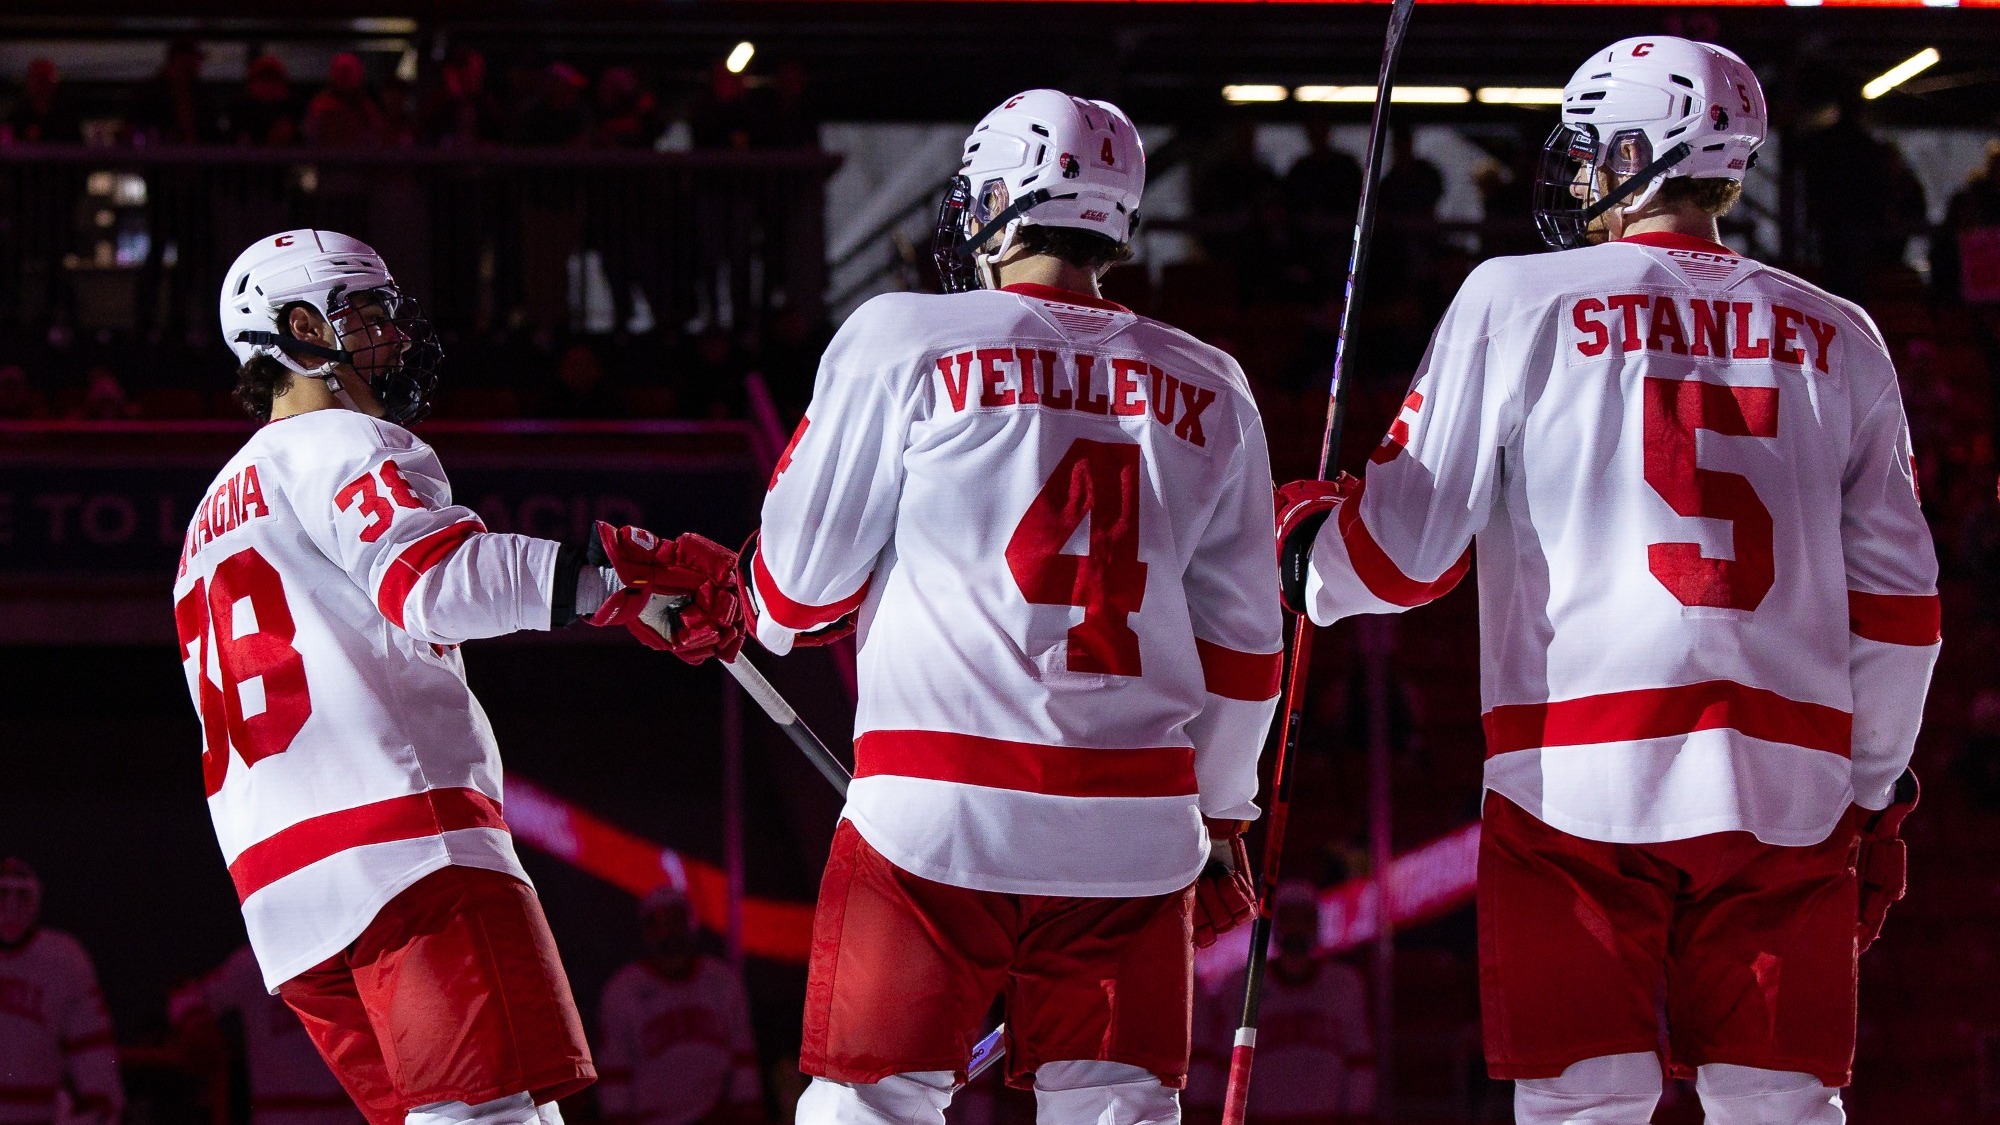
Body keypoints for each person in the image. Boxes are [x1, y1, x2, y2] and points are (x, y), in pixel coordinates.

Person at [1275, 37, 1937, 1125]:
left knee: (1583, 1106)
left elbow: (1397, 557)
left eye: (1589, 152)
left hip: (1572, 779)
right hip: (1786, 782)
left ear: (1635, 152)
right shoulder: (1842, 333)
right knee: (1782, 1107)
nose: (1577, 175)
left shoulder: (1515, 297)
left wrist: (1304, 564)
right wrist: (1869, 792)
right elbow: (1903, 613)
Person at [662, 89, 1283, 1125]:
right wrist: (1218, 814)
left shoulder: (902, 334)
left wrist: (760, 597)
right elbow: (1245, 649)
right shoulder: (1210, 379)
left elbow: (793, 593)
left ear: (993, 201)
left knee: (872, 1103)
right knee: (1119, 1110)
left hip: (933, 807)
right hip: (1134, 821)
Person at [176, 229, 745, 1125]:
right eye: (365, 315)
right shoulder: (341, 440)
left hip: (285, 899)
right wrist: (607, 584)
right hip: (405, 852)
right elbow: (432, 583)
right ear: (298, 328)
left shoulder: (210, 512)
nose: (391, 338)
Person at [1186, 881, 1373, 1125]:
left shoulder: (1344, 986)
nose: (1296, 927)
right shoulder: (1242, 986)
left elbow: (1359, 1062)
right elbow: (1222, 1066)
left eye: (1303, 918)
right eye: (1289, 918)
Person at [596, 888, 762, 1125]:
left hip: (717, 1116)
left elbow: (743, 1056)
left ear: (690, 925)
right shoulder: (622, 991)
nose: (669, 934)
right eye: (658, 925)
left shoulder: (722, 981)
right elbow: (615, 1071)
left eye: (675, 922)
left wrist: (749, 1111)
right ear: (645, 932)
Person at [171, 945, 364, 1125]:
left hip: (347, 1111)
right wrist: (198, 1027)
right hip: (281, 1113)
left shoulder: (341, 945)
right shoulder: (256, 960)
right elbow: (188, 998)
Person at [0, 859, 124, 1125]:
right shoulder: (63, 958)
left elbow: (92, 1049)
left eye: (21, 895)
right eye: (2, 894)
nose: (11, 906)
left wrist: (99, 1103)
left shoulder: (63, 961)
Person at [303, 54, 383, 149]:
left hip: (359, 160)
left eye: (348, 72)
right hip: (327, 159)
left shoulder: (367, 109)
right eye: (341, 72)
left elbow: (376, 137)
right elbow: (310, 136)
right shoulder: (320, 106)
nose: (345, 78)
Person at [3, 59, 82, 145]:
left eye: (44, 78)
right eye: (35, 78)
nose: (40, 84)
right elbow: (8, 144)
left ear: (53, 82)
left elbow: (77, 144)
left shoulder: (66, 111)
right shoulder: (19, 112)